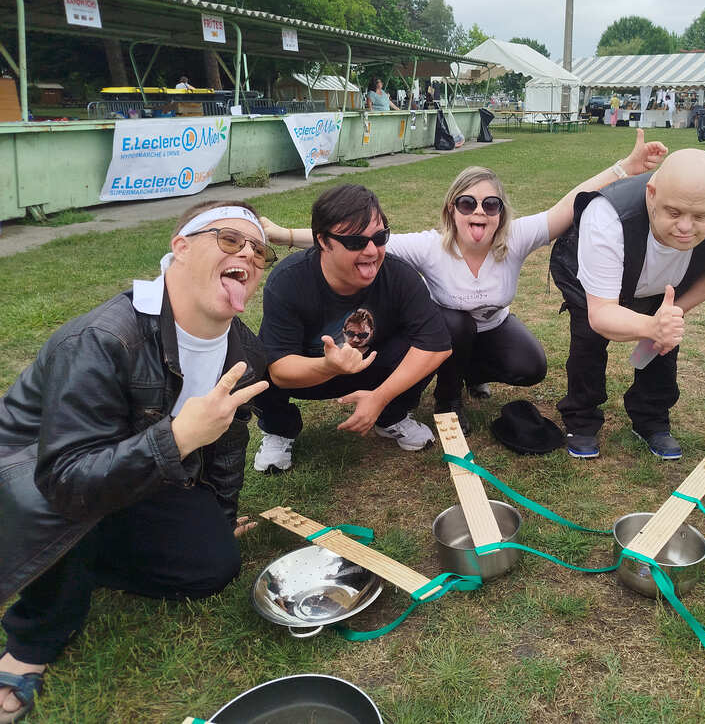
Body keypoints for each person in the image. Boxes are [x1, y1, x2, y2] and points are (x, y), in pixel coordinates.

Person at [0, 202, 273, 722]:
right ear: (181, 247)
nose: (248, 254)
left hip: (135, 475)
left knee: (213, 568)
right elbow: (64, 477)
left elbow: (228, 447)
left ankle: (90, 558)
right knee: (73, 513)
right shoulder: (104, 339)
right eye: (230, 240)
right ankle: (32, 640)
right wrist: (176, 438)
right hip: (36, 479)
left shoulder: (243, 347)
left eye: (259, 250)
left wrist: (215, 519)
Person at [263, 131, 669, 435]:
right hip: (448, 331)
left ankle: (473, 374)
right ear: (452, 210)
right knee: (455, 324)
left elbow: (569, 203)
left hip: (493, 327)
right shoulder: (428, 246)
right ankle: (447, 397)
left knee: (532, 367)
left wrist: (625, 169)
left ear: (501, 212)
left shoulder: (517, 238)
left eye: (490, 205)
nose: (480, 212)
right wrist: (284, 234)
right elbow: (354, 237)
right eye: (467, 203)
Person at [549, 149, 705, 460]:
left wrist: (671, 314)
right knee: (589, 339)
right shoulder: (607, 217)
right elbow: (601, 315)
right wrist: (650, 325)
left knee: (665, 343)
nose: (685, 227)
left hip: (663, 283)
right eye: (673, 212)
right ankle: (581, 418)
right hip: (594, 277)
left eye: (700, 216)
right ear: (651, 194)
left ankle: (651, 418)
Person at [252, 185, 452, 471]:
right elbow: (280, 371)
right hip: (311, 373)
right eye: (356, 242)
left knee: (426, 336)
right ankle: (279, 429)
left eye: (380, 237)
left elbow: (437, 344)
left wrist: (380, 398)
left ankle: (391, 416)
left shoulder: (399, 275)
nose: (372, 250)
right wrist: (329, 366)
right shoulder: (288, 281)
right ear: (323, 241)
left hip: (372, 369)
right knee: (253, 355)